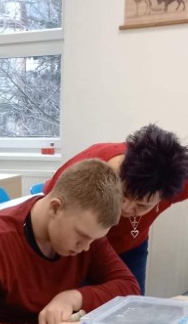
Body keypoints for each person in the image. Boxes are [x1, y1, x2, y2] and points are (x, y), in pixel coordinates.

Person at [0, 159, 139, 324]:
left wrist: (73, 297)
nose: (85, 247)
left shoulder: (87, 234)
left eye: (94, 239)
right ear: (55, 208)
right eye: (81, 236)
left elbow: (129, 287)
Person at [43, 124, 188, 293]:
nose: (125, 208)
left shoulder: (176, 179)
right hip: (86, 246)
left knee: (132, 301)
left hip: (132, 245)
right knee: (80, 302)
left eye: (141, 205)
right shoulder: (89, 167)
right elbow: (49, 205)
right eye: (123, 193)